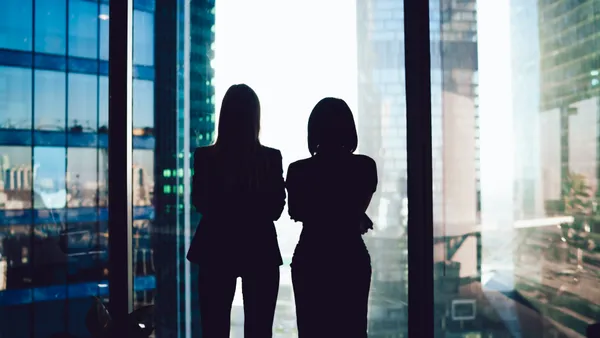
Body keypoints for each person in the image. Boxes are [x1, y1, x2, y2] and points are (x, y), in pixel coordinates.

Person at [187, 84, 286, 338]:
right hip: (260, 248)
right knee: (260, 330)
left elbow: (200, 202)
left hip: (215, 248)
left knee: (214, 329)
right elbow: (276, 209)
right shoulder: (270, 159)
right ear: (256, 117)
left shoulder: (206, 158)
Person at [286, 97, 378, 338]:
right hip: (350, 256)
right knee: (354, 329)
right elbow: (356, 208)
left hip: (311, 256)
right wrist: (351, 215)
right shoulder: (365, 167)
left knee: (311, 330)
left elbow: (296, 212)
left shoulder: (298, 171)